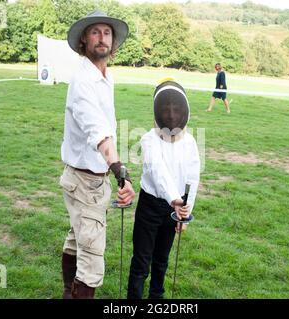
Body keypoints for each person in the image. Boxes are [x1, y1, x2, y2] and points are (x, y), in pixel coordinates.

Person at [59, 10, 136, 299]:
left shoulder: (105, 76)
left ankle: (68, 292)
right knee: (91, 263)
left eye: (107, 32)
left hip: (88, 178)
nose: (102, 37)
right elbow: (99, 133)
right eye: (95, 32)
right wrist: (121, 172)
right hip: (85, 181)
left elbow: (104, 128)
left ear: (113, 42)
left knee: (77, 240)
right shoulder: (84, 81)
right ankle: (74, 292)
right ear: (83, 41)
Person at [127, 79, 200, 299]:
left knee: (161, 261)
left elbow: (192, 177)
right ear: (157, 111)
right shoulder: (148, 139)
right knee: (141, 262)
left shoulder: (190, 143)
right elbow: (157, 172)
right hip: (150, 207)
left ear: (184, 111)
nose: (170, 114)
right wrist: (175, 200)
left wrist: (185, 210)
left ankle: (156, 300)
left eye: (176, 109)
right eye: (165, 109)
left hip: (174, 211)